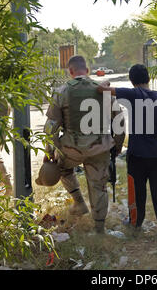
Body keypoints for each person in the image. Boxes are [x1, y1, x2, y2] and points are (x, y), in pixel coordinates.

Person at [39, 55, 125, 233]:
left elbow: (51, 126)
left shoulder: (61, 91)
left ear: (70, 72)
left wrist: (50, 151)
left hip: (72, 148)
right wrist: (117, 146)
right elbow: (119, 121)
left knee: (61, 168)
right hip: (100, 147)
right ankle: (99, 228)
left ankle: (79, 202)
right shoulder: (103, 90)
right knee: (98, 186)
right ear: (87, 70)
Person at [97, 64, 157, 257]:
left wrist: (105, 81)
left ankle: (135, 224)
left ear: (132, 81)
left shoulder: (133, 94)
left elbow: (102, 90)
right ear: (148, 78)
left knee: (137, 192)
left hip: (138, 155)